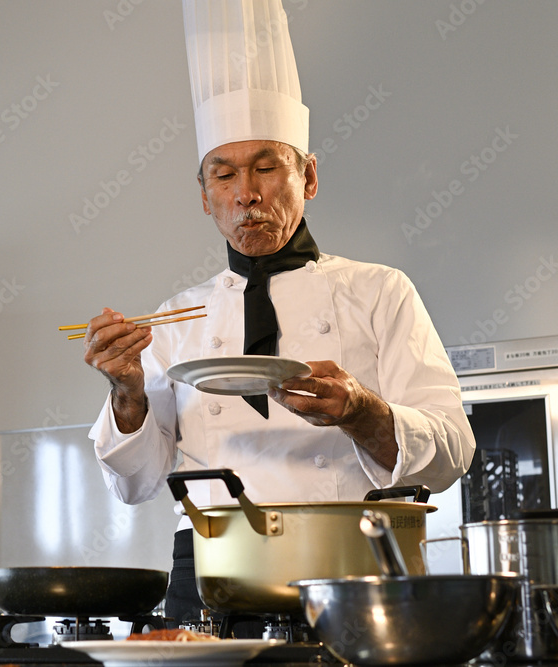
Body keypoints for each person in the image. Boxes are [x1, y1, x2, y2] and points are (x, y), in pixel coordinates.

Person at [82, 0, 476, 630]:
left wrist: (362, 411)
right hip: (211, 571)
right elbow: (134, 485)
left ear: (309, 177)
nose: (247, 193)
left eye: (267, 168)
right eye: (224, 175)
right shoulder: (175, 319)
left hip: (350, 563)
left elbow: (452, 452)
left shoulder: (380, 291)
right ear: (205, 195)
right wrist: (126, 391)